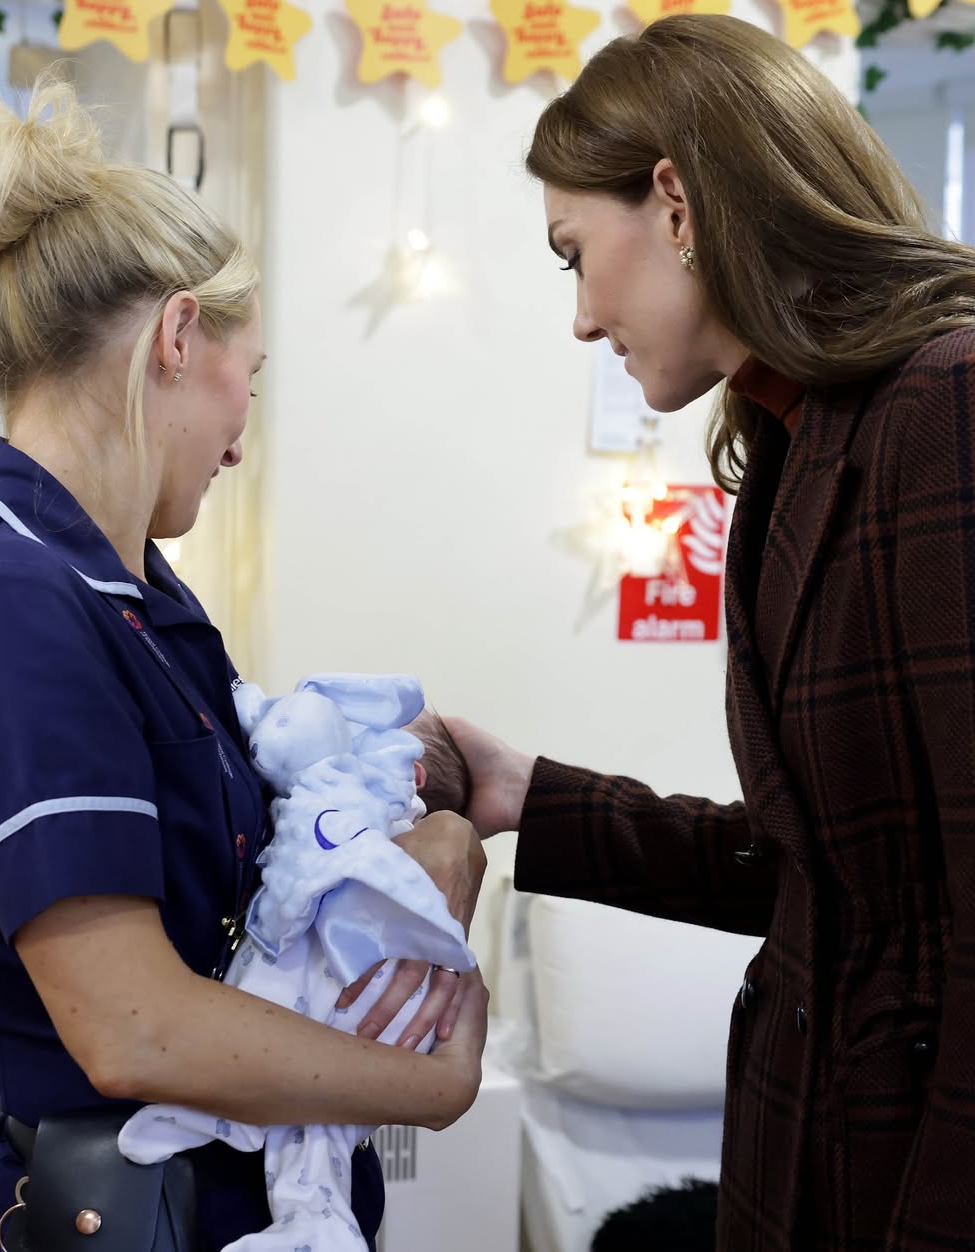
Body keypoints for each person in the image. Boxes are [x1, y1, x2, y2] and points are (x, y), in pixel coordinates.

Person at [380, 14, 974, 1252]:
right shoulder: (793, 452)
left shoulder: (946, 405)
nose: (584, 319)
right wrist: (529, 794)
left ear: (678, 203)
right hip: (800, 1158)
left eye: (571, 254)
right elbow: (826, 879)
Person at [0, 80, 487, 1252]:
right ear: (176, 335)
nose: (241, 433)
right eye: (248, 379)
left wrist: (427, 836)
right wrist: (433, 1082)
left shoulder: (132, 594)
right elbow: (135, 1029)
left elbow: (234, 900)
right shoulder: (4, 605)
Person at [120, 672, 476, 1251]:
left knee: (316, 1131)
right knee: (315, 1134)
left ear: (411, 773)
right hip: (261, 1075)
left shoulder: (373, 835)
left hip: (318, 1026)